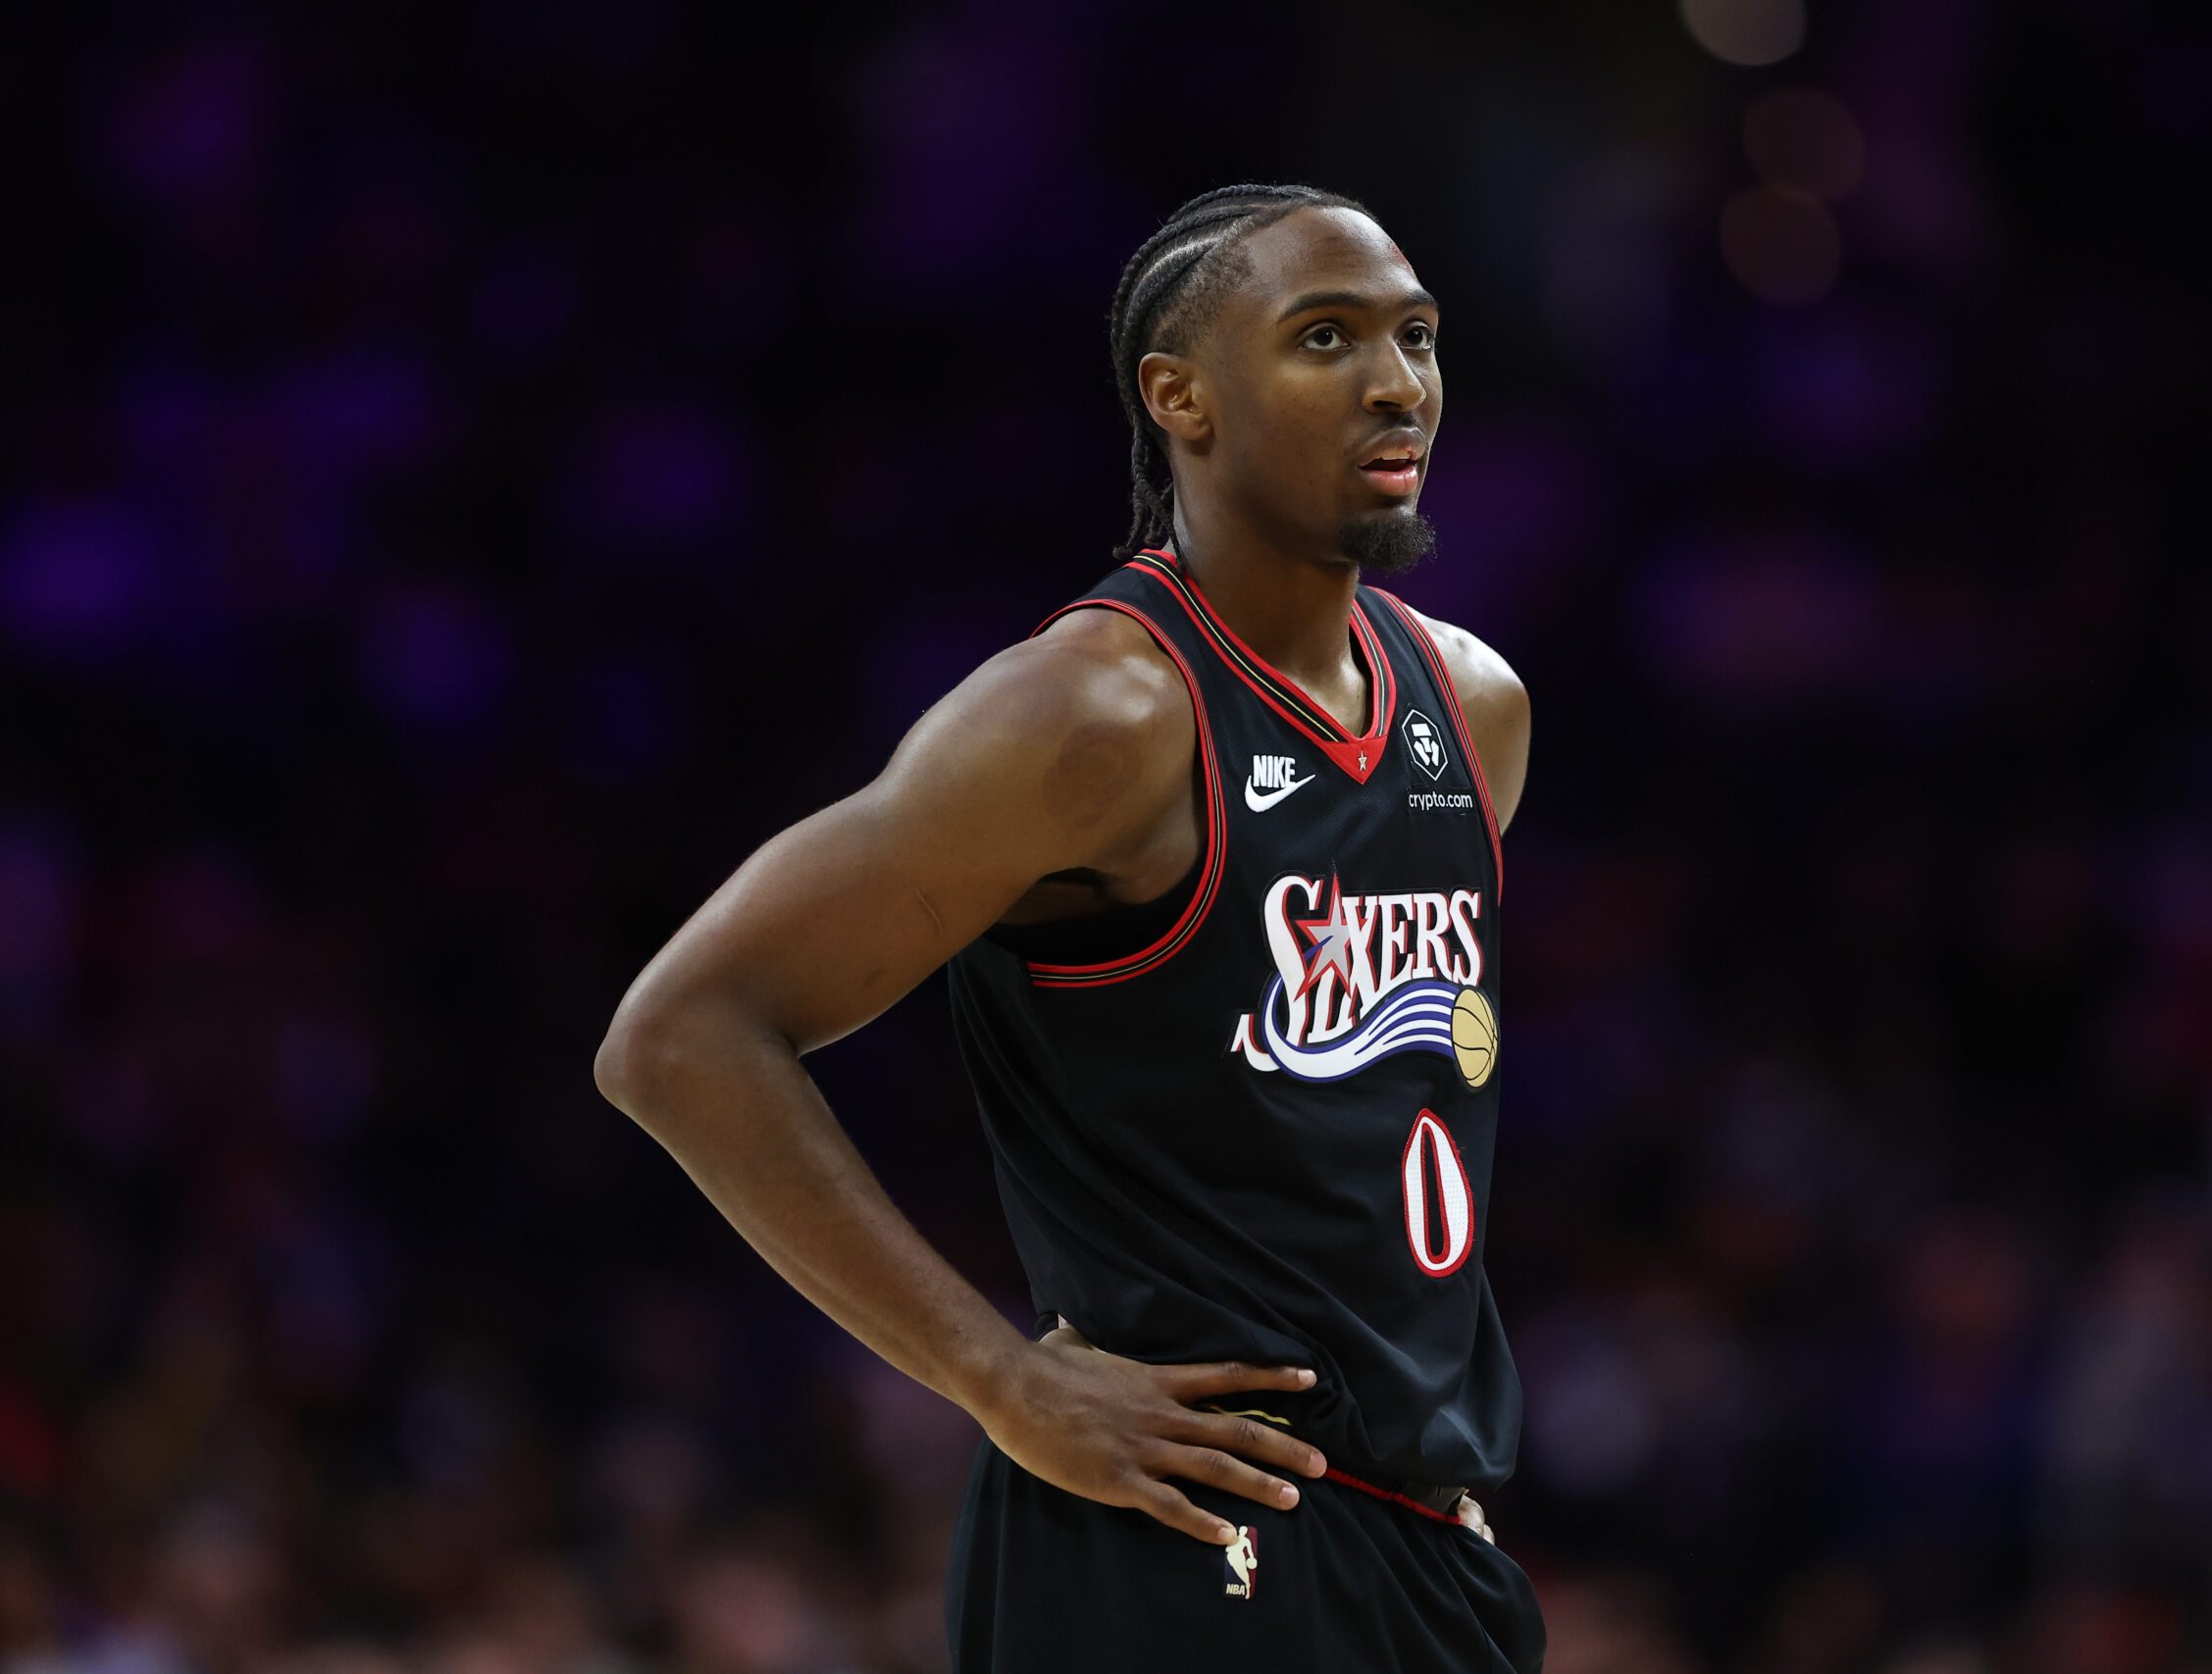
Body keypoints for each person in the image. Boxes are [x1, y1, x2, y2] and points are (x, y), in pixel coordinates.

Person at [594, 182, 1542, 1671]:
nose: (1393, 381)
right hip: (1177, 1540)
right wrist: (996, 1377)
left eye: (1415, 336)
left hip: (1429, 1545)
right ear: (1181, 397)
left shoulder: (1473, 709)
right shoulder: (1098, 711)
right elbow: (678, 1037)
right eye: (1324, 336)